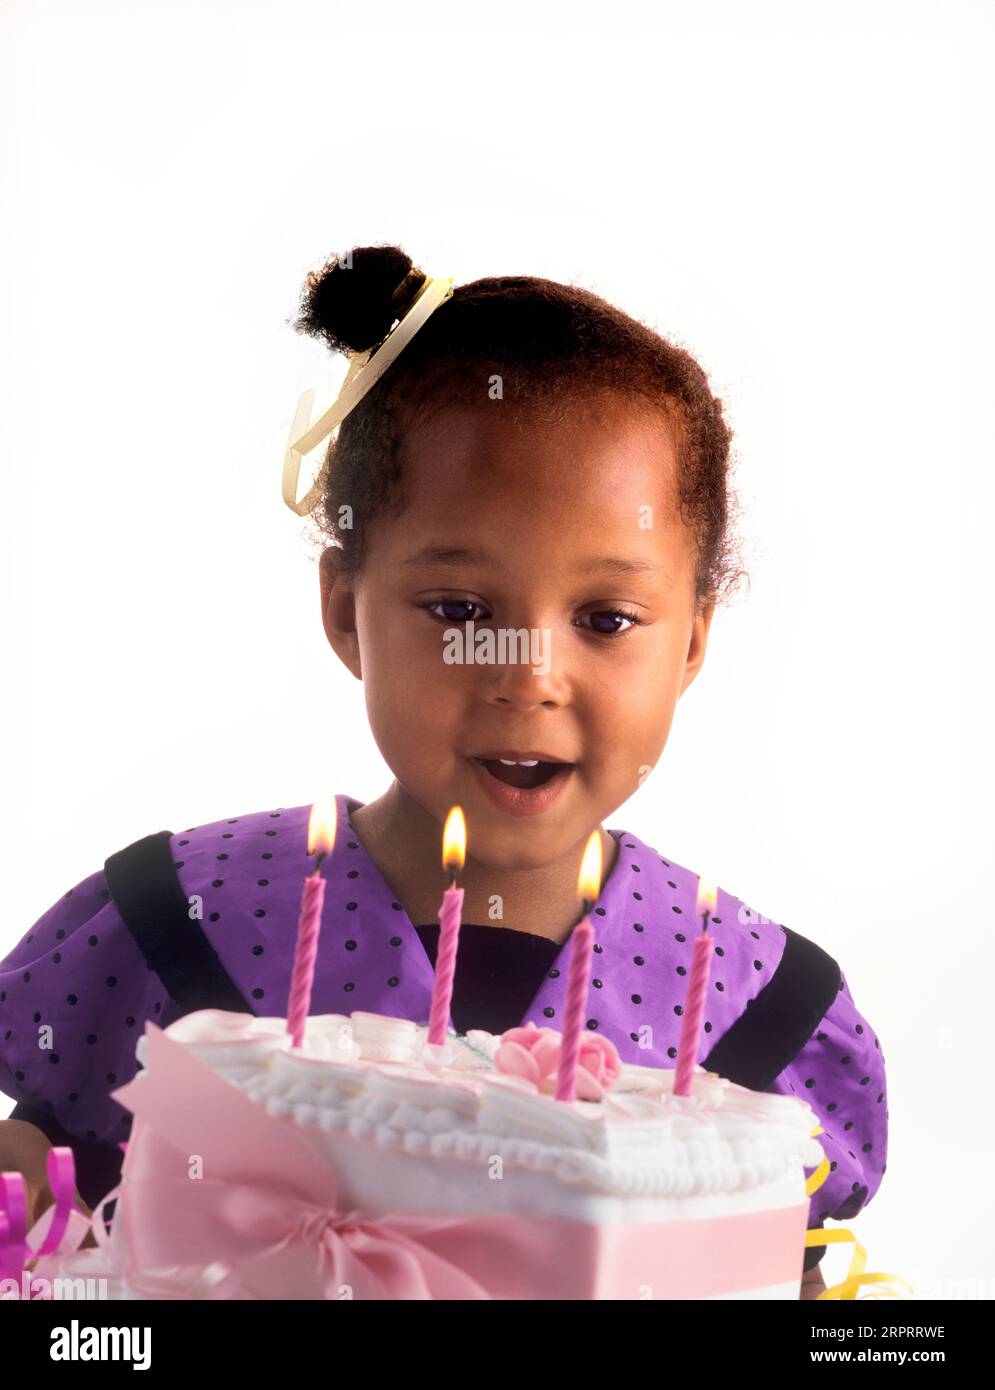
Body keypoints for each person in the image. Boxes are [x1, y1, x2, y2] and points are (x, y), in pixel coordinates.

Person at [0, 245, 886, 1298]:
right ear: (346, 610)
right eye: (459, 611)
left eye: (605, 619)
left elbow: (804, 1288)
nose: (526, 676)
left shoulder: (756, 1011)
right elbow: (38, 1231)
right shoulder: (172, 931)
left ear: (691, 640)